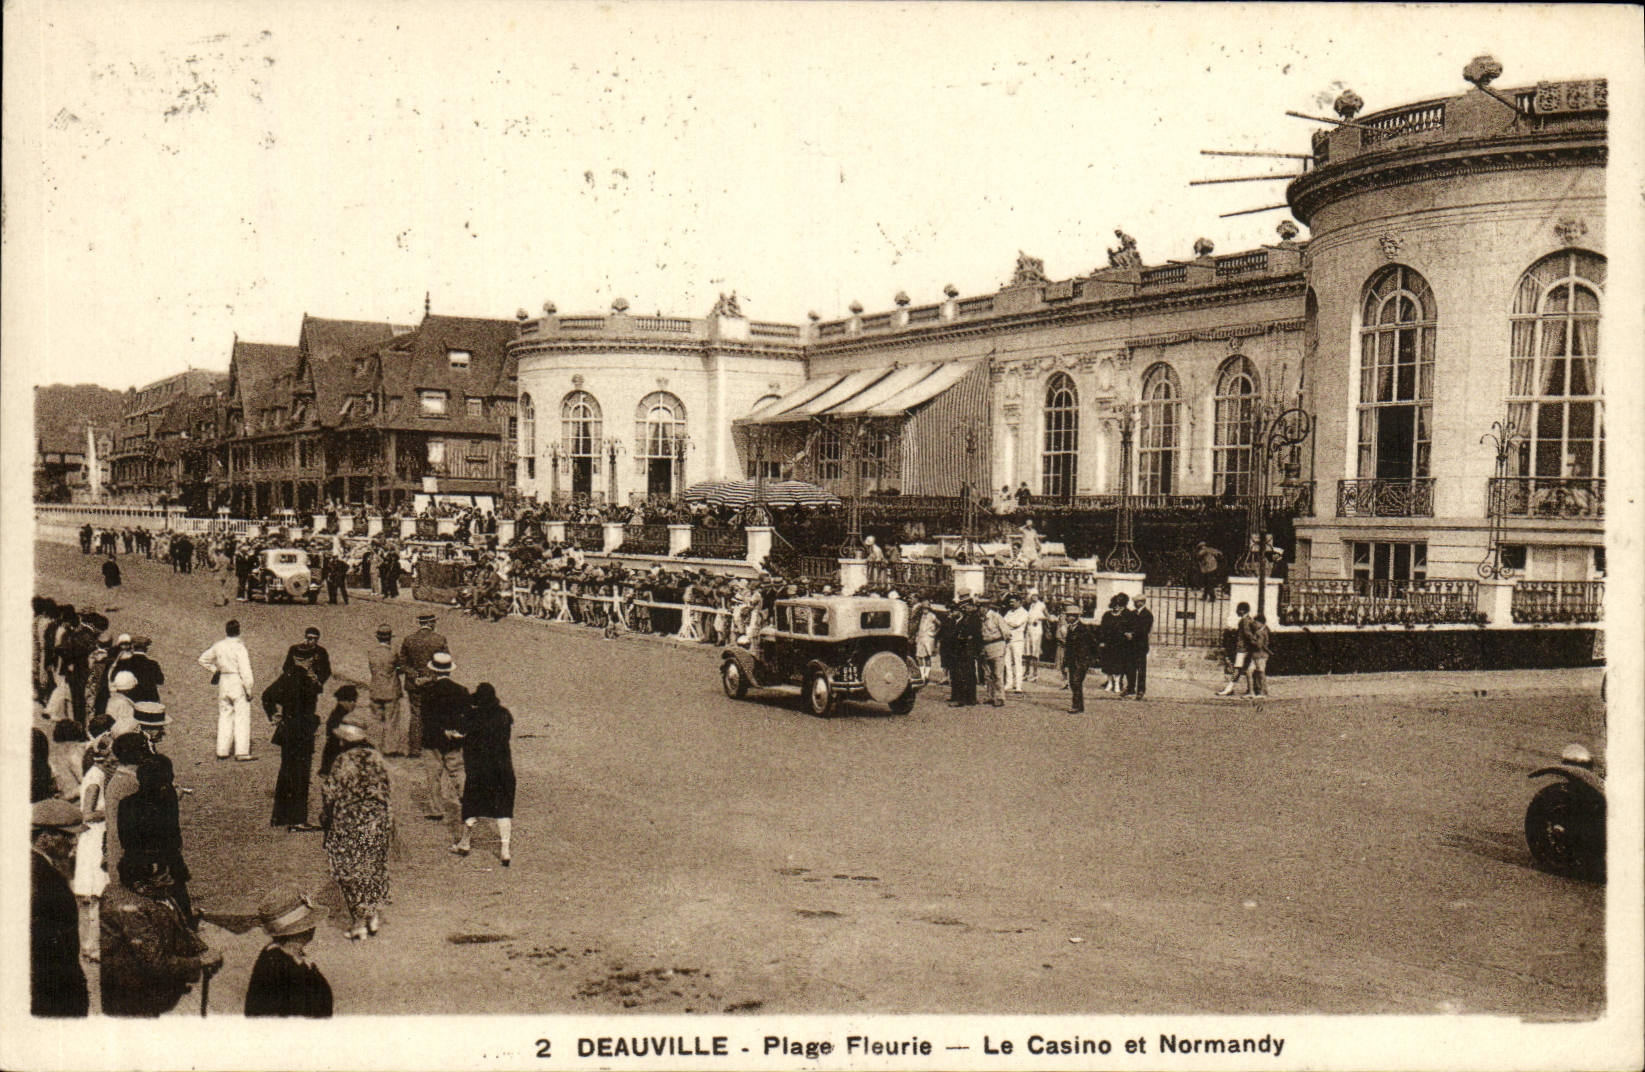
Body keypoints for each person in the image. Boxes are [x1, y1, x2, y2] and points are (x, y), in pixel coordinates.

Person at [99, 857, 221, 1017]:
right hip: (131, 998)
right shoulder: (128, 909)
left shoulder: (157, 893)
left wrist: (201, 948)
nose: (171, 882)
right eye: (164, 879)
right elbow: (156, 963)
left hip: (147, 993)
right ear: (140, 886)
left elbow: (181, 928)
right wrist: (198, 963)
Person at [321, 713, 392, 940]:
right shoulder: (377, 758)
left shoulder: (343, 761)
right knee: (373, 866)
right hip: (377, 820)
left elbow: (329, 793)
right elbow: (387, 790)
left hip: (349, 822)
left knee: (350, 871)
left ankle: (359, 922)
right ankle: (373, 916)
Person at [117, 753, 196, 926]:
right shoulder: (168, 799)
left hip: (135, 865)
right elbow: (173, 836)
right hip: (166, 862)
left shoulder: (126, 804)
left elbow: (126, 840)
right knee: (180, 903)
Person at [32, 798, 90, 1017]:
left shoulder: (35, 867)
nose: (74, 842)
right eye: (68, 836)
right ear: (44, 837)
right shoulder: (46, 878)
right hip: (53, 993)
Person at [245, 887, 333, 1016]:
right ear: (303, 929)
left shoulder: (290, 957)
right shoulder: (277, 966)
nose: (314, 926)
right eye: (309, 922)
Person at [457, 683, 517, 865]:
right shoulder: (504, 715)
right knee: (504, 810)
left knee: (471, 806)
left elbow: (462, 733)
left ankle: (465, 842)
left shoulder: (473, 716)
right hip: (503, 769)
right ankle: (505, 851)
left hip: (479, 770)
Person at [420, 652, 470, 847]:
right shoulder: (462, 691)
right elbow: (467, 717)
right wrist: (458, 732)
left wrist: (442, 731)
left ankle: (435, 808)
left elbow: (426, 718)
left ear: (433, 670)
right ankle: (465, 798)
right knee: (457, 772)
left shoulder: (427, 691)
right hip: (454, 742)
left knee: (433, 775)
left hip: (432, 740)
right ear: (449, 670)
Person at [263, 668, 323, 831]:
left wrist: (274, 714)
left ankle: (280, 817)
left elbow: (267, 695)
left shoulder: (288, 676)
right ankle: (297, 820)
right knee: (300, 776)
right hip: (302, 733)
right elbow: (314, 695)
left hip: (287, 732)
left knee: (286, 772)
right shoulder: (307, 681)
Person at [199, 619, 256, 760]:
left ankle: (222, 750)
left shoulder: (219, 646)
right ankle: (242, 751)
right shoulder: (240, 647)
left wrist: (215, 670)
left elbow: (203, 659)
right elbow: (245, 669)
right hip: (237, 681)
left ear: (226, 631)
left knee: (225, 715)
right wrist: (249, 689)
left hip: (224, 681)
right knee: (241, 717)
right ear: (239, 631)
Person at [397, 613, 449, 761]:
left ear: (420, 623)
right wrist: (431, 677)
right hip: (433, 684)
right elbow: (445, 663)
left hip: (414, 684)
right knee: (434, 713)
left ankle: (414, 749)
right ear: (431, 623)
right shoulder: (439, 640)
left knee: (416, 714)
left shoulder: (409, 640)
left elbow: (402, 663)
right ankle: (433, 747)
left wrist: (415, 676)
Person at [366, 624, 403, 754]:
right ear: (389, 638)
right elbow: (400, 668)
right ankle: (390, 748)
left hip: (375, 688)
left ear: (377, 638)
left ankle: (375, 744)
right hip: (391, 689)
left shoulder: (372, 653)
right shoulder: (393, 653)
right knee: (392, 720)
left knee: (376, 718)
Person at [1062, 604, 1098, 714]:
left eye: (1069, 616)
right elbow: (1068, 647)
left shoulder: (1083, 629)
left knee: (1076, 682)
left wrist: (1091, 658)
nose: (1067, 618)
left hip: (1081, 660)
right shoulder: (1071, 629)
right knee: (1074, 683)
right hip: (1073, 660)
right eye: (1067, 616)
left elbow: (1093, 643)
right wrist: (1065, 662)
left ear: (1075, 617)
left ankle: (1076, 705)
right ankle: (1079, 706)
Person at [318, 686, 361, 778]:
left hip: (331, 751)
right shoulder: (342, 714)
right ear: (347, 701)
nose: (354, 704)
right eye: (352, 701)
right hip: (336, 753)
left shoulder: (337, 712)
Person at [1218, 602, 1254, 696]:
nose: (1236, 612)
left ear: (1242, 610)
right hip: (1246, 648)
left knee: (1237, 669)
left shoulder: (1244, 620)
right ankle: (1250, 689)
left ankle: (1229, 688)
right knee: (1246, 669)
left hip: (1242, 649)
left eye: (1238, 609)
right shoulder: (1249, 619)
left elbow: (1247, 633)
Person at [978, 598, 1009, 706]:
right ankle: (990, 696)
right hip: (985, 647)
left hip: (997, 646)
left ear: (986, 607)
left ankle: (1000, 697)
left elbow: (1007, 633)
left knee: (998, 673)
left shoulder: (996, 617)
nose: (980, 609)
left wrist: (1004, 648)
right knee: (987, 674)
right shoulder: (981, 618)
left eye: (981, 606)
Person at [1098, 594, 1132, 695]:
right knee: (1108, 664)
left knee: (1118, 665)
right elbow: (1102, 629)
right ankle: (1109, 683)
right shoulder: (1107, 615)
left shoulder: (1124, 616)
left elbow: (1128, 629)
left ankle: (1117, 684)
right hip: (1108, 643)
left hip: (1120, 644)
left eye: (1119, 605)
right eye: (1115, 605)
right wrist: (1102, 641)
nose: (1117, 607)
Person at [124, 635, 165, 705]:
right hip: (149, 700)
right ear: (146, 649)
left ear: (132, 648)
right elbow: (160, 681)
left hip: (131, 699)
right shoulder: (153, 664)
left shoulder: (125, 663)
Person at [1002, 595, 1030, 693]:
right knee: (1007, 662)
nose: (1011, 604)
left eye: (1013, 602)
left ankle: (1018, 685)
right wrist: (1007, 623)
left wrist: (1007, 623)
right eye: (1010, 602)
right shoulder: (1009, 612)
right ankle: (1009, 683)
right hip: (1007, 640)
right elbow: (1002, 622)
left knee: (1018, 662)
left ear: (1019, 602)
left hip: (1017, 640)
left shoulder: (1024, 613)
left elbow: (1016, 624)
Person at [1129, 595, 1154, 700]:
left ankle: (1141, 690)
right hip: (1131, 645)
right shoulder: (1133, 613)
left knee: (1141, 669)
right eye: (1135, 601)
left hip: (1141, 645)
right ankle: (1130, 687)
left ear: (1143, 602)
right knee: (1130, 668)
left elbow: (1144, 630)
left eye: (1138, 601)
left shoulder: (1147, 614)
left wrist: (1133, 634)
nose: (1136, 603)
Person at [1246, 613, 1272, 698]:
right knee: (1250, 672)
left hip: (1261, 655)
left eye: (1256, 623)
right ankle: (1252, 692)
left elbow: (1259, 645)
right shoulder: (1260, 631)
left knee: (1260, 672)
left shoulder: (1262, 632)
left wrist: (1252, 640)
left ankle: (1262, 692)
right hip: (1256, 655)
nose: (1255, 625)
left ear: (1261, 623)